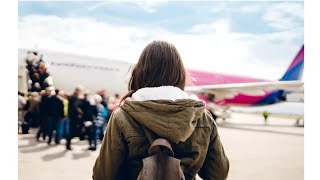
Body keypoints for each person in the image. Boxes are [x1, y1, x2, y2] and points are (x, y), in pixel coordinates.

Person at [93, 41, 229, 180]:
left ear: (142, 71)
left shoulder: (123, 116)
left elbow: (103, 175)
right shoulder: (202, 116)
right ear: (179, 73)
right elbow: (218, 174)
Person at [66, 86, 83, 150]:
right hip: (73, 117)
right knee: (71, 131)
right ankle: (68, 145)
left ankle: (68, 144)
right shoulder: (74, 97)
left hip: (72, 116)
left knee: (71, 130)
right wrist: (80, 112)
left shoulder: (73, 96)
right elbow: (75, 107)